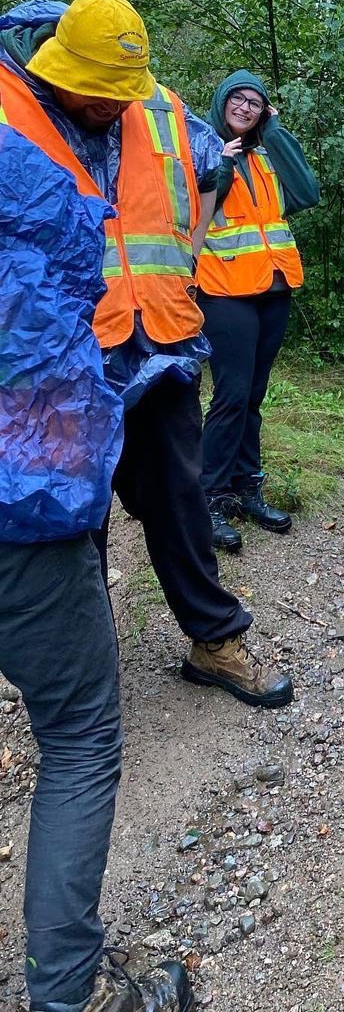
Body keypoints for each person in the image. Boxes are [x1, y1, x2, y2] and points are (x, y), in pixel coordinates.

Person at [0, 0, 294, 709]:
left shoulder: (154, 104)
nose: (109, 105)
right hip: (56, 363)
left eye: (120, 94)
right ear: (54, 63)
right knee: (73, 520)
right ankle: (82, 679)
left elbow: (211, 161)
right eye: (94, 92)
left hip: (157, 338)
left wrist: (255, 132)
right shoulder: (8, 112)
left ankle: (215, 641)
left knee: (180, 498)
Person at [0, 117, 191, 1009]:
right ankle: (68, 996)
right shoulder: (27, 185)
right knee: (78, 738)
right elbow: (45, 409)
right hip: (20, 537)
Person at [195, 70, 320, 552]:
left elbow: (306, 192)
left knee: (253, 396)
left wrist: (276, 130)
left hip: (273, 284)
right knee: (230, 394)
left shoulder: (267, 152)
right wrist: (221, 164)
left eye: (255, 103)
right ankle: (209, 498)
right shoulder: (204, 146)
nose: (245, 108)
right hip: (225, 289)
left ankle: (248, 489)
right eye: (238, 100)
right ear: (222, 101)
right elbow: (196, 208)